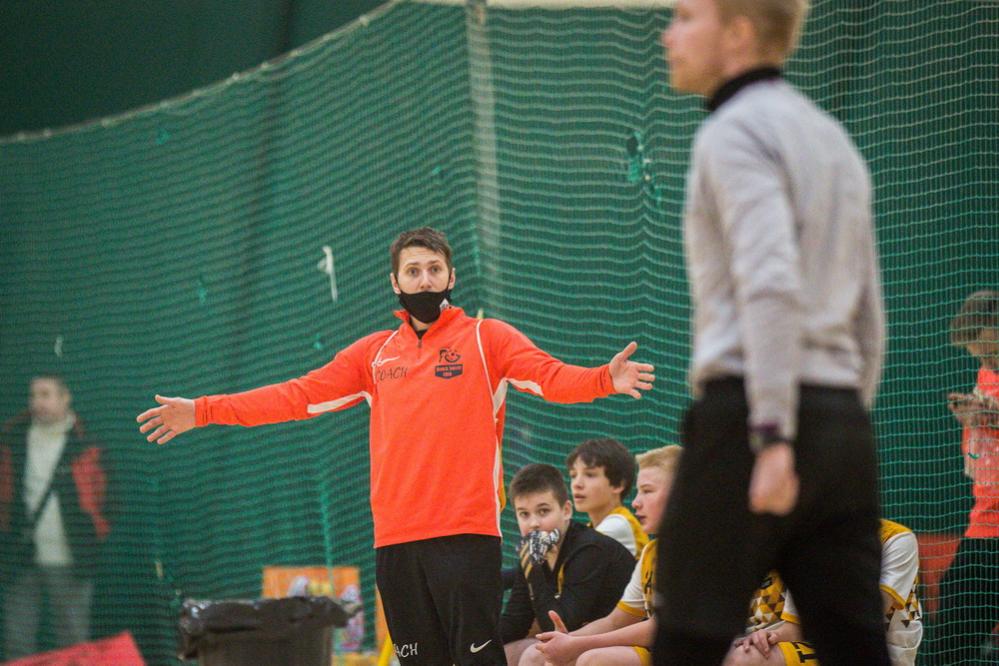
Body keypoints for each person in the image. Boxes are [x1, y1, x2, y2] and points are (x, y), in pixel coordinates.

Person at [135, 227, 655, 665]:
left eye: (434, 269)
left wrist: (603, 379)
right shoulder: (374, 355)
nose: (424, 279)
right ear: (395, 282)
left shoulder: (486, 339)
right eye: (413, 271)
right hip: (396, 542)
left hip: (465, 533)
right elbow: (297, 396)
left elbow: (550, 377)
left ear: (451, 277)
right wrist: (202, 410)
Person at [655, 1, 889, 664]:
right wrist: (836, 423)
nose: (668, 35)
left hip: (752, 420)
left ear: (738, 33)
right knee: (854, 647)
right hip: (840, 423)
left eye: (685, 17)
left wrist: (775, 434)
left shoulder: (731, 131)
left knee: (685, 641)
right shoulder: (832, 139)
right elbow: (869, 316)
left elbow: (770, 281)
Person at [523, 445, 682, 666]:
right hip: (648, 644)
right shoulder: (652, 552)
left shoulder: (614, 529)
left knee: (592, 659)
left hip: (690, 652)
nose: (636, 502)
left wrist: (576, 642)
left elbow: (663, 627)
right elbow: (617, 620)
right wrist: (566, 641)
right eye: (573, 475)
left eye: (647, 491)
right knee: (536, 653)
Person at [0, 375, 110, 659]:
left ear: (65, 397)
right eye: (33, 395)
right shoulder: (12, 439)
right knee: (16, 641)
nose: (38, 402)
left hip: (71, 559)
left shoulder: (87, 443)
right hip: (21, 559)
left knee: (72, 641)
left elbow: (107, 498)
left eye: (46, 394)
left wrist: (91, 534)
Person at [724, 519, 923, 666]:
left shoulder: (896, 540)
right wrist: (766, 637)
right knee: (734, 654)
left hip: (875, 652)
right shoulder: (809, 542)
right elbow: (793, 629)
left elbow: (863, 622)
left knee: (743, 659)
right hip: (818, 645)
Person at [500, 464, 634, 665]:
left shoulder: (589, 549)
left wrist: (533, 570)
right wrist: (471, 641)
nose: (533, 523)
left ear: (566, 510)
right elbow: (516, 621)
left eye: (543, 511)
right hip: (582, 638)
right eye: (524, 514)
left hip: (621, 642)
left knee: (535, 656)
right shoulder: (535, 551)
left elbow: (561, 627)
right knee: (500, 653)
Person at [934, 289, 999, 664]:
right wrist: (973, 416)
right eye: (981, 358)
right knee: (950, 641)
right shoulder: (986, 374)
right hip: (985, 524)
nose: (988, 363)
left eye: (993, 354)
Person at [567, 438, 648, 557]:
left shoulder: (618, 525)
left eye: (590, 475)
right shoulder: (593, 528)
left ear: (618, 484)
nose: (577, 484)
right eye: (573, 475)